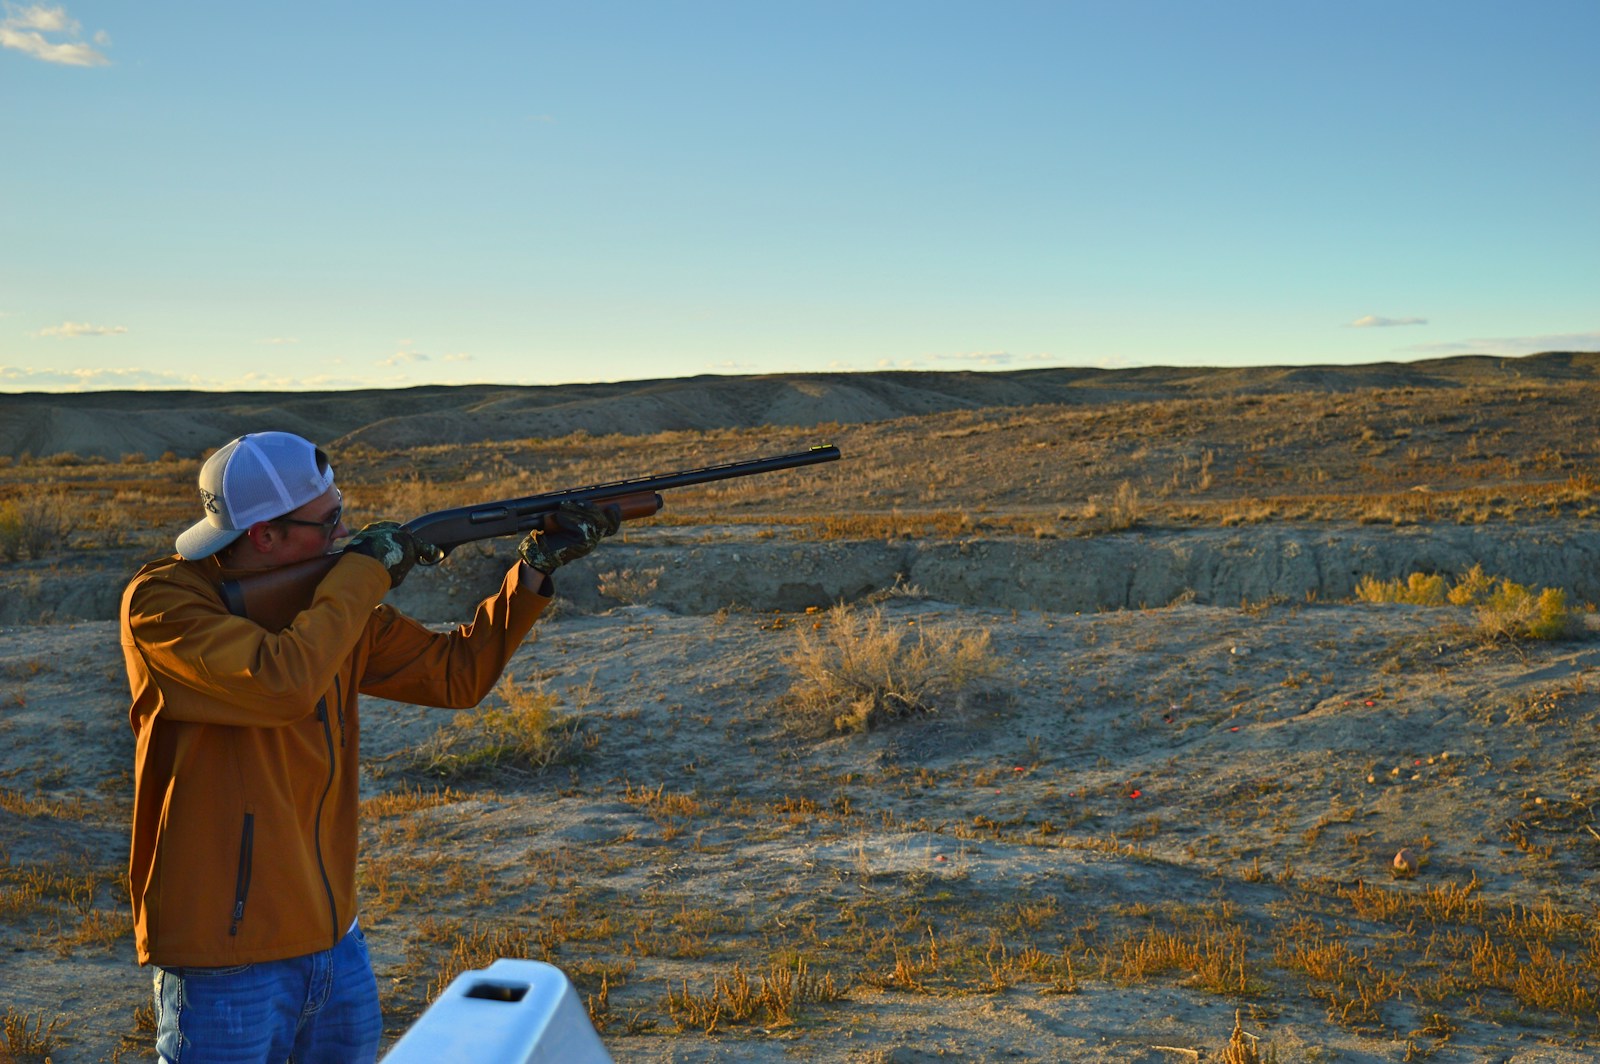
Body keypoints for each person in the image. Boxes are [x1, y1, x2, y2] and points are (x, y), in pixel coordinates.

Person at [119, 431, 618, 1064]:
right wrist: (363, 573)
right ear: (264, 535)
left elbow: (455, 675)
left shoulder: (328, 604)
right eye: (327, 522)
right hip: (225, 958)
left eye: (341, 513)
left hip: (335, 943)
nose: (345, 532)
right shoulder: (164, 604)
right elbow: (282, 683)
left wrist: (534, 572)